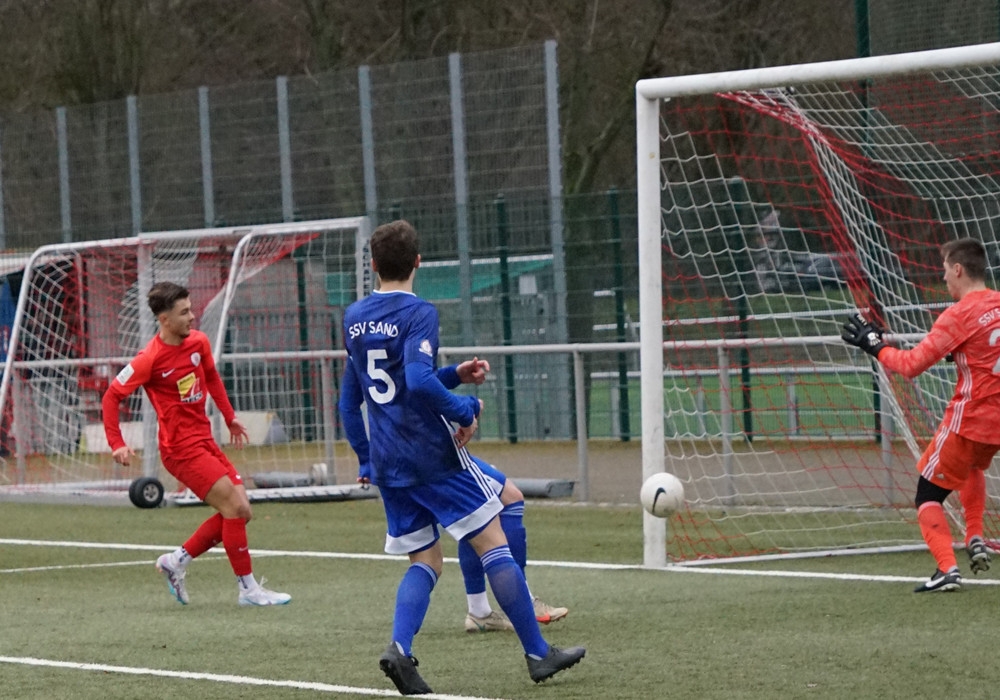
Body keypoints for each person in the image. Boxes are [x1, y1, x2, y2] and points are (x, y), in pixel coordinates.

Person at [339, 220, 585, 695]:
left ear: (372, 265)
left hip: (390, 462)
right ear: (418, 262)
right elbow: (416, 381)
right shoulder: (419, 312)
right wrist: (465, 409)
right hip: (431, 454)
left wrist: (367, 458)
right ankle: (537, 653)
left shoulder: (354, 316)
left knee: (426, 561)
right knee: (493, 540)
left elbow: (352, 401)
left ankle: (400, 648)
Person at [103, 281, 291, 607]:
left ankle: (175, 561)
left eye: (191, 309)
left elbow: (212, 377)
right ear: (164, 319)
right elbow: (111, 396)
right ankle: (248, 590)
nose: (192, 317)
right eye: (184, 312)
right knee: (234, 508)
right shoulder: (149, 359)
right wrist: (116, 443)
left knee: (241, 512)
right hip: (179, 451)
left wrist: (229, 417)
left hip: (204, 440)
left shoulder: (199, 342)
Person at [841, 237, 1000, 592]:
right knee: (971, 467)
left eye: (944, 270)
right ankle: (976, 537)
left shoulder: (958, 315)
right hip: (997, 425)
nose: (943, 278)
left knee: (927, 495)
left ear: (958, 269)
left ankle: (947, 570)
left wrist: (874, 345)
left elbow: (911, 365)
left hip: (970, 419)